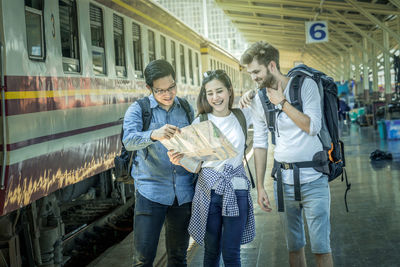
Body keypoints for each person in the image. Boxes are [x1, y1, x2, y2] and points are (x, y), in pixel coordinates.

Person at [239, 41, 333, 267]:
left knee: (321, 248)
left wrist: (282, 103)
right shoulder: (259, 99)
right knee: (294, 247)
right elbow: (260, 144)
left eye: (256, 72)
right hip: (284, 182)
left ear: (272, 66)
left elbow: (312, 126)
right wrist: (260, 186)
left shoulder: (305, 86)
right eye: (250, 73)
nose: (253, 78)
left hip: (315, 181)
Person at [168, 70, 255, 267]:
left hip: (237, 190)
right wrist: (180, 159)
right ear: (205, 96)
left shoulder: (242, 116)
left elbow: (264, 104)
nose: (215, 98)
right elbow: (194, 161)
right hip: (208, 191)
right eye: (210, 93)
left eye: (219, 91)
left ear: (229, 91)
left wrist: (251, 93)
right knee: (211, 251)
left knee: (232, 253)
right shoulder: (200, 121)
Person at [122, 59, 195, 267]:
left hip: (182, 193)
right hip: (150, 191)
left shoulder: (186, 108)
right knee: (143, 259)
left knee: (179, 257)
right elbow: (128, 141)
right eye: (160, 90)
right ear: (149, 88)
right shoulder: (139, 109)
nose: (168, 94)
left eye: (171, 87)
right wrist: (153, 134)